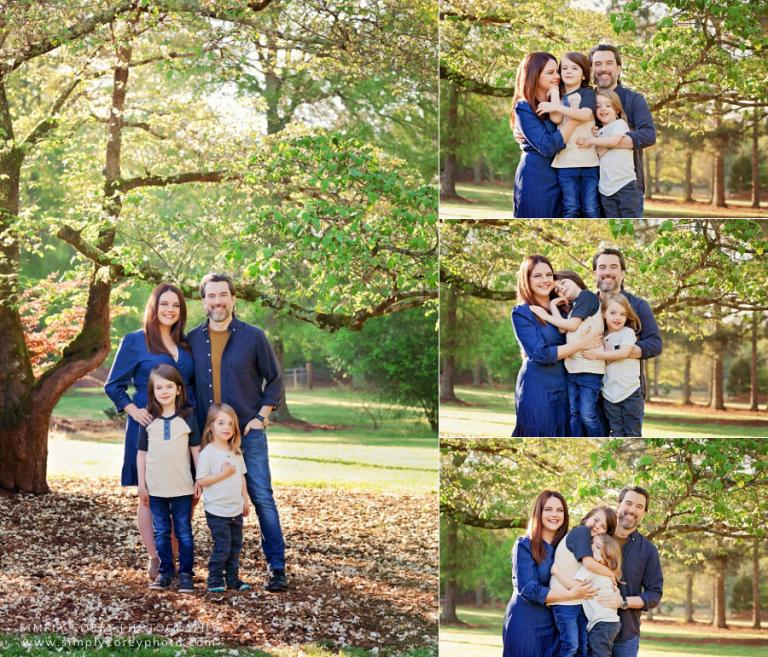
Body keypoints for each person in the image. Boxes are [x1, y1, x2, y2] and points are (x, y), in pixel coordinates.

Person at [187, 273, 288, 592]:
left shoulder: (253, 337)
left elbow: (274, 380)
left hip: (248, 433)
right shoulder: (191, 339)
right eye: (211, 296)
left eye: (222, 295)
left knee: (261, 498)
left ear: (233, 299)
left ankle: (277, 569)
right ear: (203, 301)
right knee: (194, 496)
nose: (217, 302)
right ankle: (184, 570)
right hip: (209, 440)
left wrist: (261, 417)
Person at [104, 283, 195, 581]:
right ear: (153, 307)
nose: (170, 309)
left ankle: (175, 558)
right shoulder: (135, 341)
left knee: (183, 492)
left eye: (176, 305)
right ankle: (156, 558)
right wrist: (133, 410)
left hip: (182, 429)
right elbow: (113, 385)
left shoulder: (185, 345)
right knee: (151, 494)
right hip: (149, 429)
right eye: (164, 303)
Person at [511, 256, 603, 437]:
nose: (545, 280)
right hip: (539, 387)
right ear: (526, 280)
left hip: (570, 381)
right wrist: (581, 344)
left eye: (548, 275)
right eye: (537, 276)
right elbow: (540, 354)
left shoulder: (565, 308)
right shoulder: (523, 313)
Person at [502, 490, 597, 657]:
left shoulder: (567, 548)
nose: (555, 514)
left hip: (557, 623)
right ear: (539, 512)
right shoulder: (525, 545)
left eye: (560, 510)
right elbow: (529, 589)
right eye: (548, 509)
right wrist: (571, 595)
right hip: (527, 623)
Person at [136, 364, 201, 593]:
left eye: (169, 386)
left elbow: (196, 450)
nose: (164, 391)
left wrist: (199, 479)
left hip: (182, 487)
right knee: (161, 532)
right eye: (158, 387)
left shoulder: (188, 416)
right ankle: (165, 572)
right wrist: (142, 485)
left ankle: (186, 574)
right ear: (152, 392)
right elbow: (141, 454)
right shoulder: (148, 419)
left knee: (183, 532)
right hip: (155, 490)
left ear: (179, 389)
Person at [590, 247, 661, 431]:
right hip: (589, 391)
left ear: (622, 273)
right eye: (602, 267)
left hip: (627, 390)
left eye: (613, 267)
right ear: (595, 272)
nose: (607, 272)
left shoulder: (638, 305)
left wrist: (621, 351)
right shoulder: (585, 305)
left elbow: (654, 344)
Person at [589, 44, 656, 216]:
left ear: (618, 68)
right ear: (591, 69)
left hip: (627, 186)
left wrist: (608, 142)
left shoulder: (634, 100)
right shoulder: (585, 101)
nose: (603, 68)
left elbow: (648, 135)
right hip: (593, 188)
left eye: (609, 63)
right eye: (597, 64)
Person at [510, 52, 579, 217]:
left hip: (564, 178)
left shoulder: (560, 102)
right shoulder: (524, 107)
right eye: (550, 72)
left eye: (557, 71)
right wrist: (575, 120)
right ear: (534, 75)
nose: (557, 76)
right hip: (537, 179)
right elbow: (547, 146)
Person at [598, 486, 663, 657]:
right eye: (628, 503)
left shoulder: (648, 550)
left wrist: (623, 602)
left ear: (644, 513)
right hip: (589, 628)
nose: (632, 510)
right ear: (618, 505)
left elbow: (654, 594)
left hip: (625, 636)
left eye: (639, 507)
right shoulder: (596, 537)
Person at [196, 403, 251, 593]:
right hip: (217, 509)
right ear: (211, 426)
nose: (226, 428)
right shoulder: (208, 453)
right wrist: (224, 474)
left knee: (235, 546)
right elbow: (202, 480)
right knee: (223, 546)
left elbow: (241, 476)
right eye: (221, 423)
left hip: (235, 507)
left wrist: (245, 499)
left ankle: (233, 579)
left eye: (230, 423)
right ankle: (214, 579)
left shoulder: (235, 451)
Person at [549, 506, 618, 657]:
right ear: (587, 517)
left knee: (583, 648)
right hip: (564, 600)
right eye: (596, 520)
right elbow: (587, 564)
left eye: (603, 526)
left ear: (606, 534)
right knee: (571, 645)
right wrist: (610, 574)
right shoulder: (581, 531)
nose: (597, 526)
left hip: (577, 601)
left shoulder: (591, 546)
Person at [541, 51, 600, 218]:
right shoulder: (558, 95)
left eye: (574, 68)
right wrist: (553, 93)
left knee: (590, 209)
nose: (568, 71)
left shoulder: (587, 93)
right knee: (571, 208)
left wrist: (557, 106)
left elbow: (586, 115)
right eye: (564, 68)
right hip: (566, 163)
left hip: (590, 163)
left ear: (583, 75)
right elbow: (557, 118)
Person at [585, 295, 643, 437]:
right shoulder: (601, 336)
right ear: (604, 313)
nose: (618, 317)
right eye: (613, 313)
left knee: (632, 432)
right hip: (609, 394)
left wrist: (598, 355)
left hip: (630, 392)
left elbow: (624, 352)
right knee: (616, 431)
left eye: (623, 314)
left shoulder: (627, 333)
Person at [575, 90, 640, 217]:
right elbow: (600, 153)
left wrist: (591, 140)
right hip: (605, 189)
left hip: (625, 184)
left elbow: (614, 141)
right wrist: (596, 136)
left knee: (629, 218)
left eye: (608, 105)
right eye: (598, 106)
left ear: (617, 110)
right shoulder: (599, 132)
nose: (602, 109)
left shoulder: (619, 124)